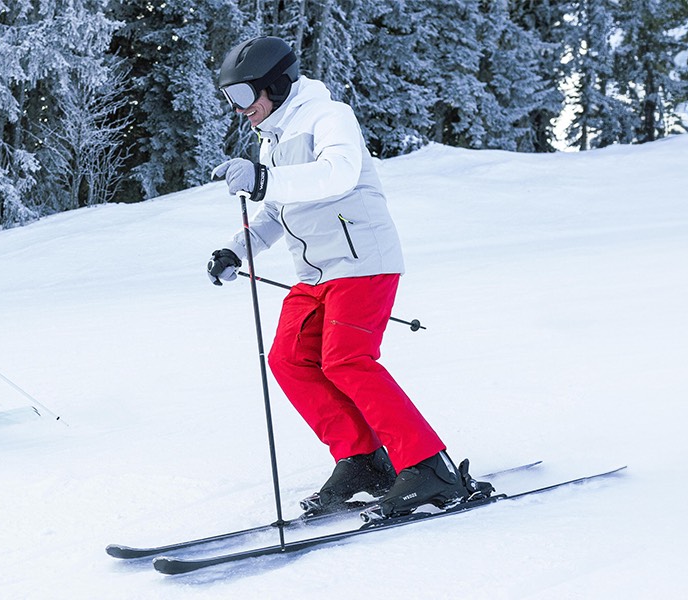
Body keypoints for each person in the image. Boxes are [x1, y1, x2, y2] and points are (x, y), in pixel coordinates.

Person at [207, 36, 492, 520]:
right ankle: (362, 460)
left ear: (275, 86)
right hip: (314, 273)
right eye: (230, 100)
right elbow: (277, 213)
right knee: (289, 359)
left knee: (347, 360)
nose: (239, 110)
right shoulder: (271, 140)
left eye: (243, 97)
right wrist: (236, 249)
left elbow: (336, 174)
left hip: (363, 262)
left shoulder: (329, 116)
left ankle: (430, 468)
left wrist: (261, 179)